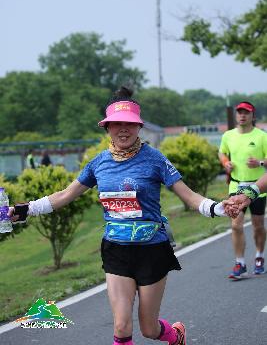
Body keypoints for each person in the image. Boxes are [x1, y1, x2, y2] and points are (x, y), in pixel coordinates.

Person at [9, 87, 239, 345]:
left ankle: (175, 335)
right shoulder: (98, 163)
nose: (123, 129)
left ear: (139, 127)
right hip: (116, 249)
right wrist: (26, 209)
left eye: (129, 123)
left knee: (149, 329)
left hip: (152, 249)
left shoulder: (155, 159)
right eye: (116, 123)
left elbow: (189, 196)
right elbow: (65, 195)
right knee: (121, 326)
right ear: (107, 128)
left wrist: (218, 207)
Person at [219, 101, 267, 279]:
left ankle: (259, 256)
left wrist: (260, 162)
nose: (242, 115)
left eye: (246, 112)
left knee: (258, 226)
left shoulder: (262, 136)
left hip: (258, 186)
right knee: (235, 224)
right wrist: (226, 163)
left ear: (253, 116)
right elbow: (222, 152)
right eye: (239, 112)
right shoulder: (228, 136)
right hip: (236, 186)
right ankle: (240, 263)